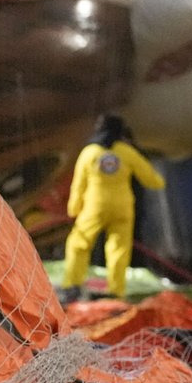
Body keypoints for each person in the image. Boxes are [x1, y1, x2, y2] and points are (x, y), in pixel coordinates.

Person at [61, 113, 165, 300]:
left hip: (95, 206)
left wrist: (74, 208)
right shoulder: (126, 152)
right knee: (119, 248)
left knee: (79, 243)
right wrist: (159, 182)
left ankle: (72, 285)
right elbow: (150, 177)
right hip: (122, 207)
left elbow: (79, 184)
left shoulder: (90, 152)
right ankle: (116, 291)